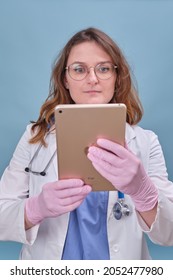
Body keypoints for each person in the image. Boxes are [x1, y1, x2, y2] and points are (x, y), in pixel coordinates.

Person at [0, 27, 173, 260]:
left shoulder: (145, 142)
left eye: (103, 69)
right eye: (79, 69)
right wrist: (35, 209)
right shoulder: (35, 137)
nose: (92, 79)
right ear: (65, 80)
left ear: (116, 77)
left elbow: (169, 234)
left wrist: (145, 194)